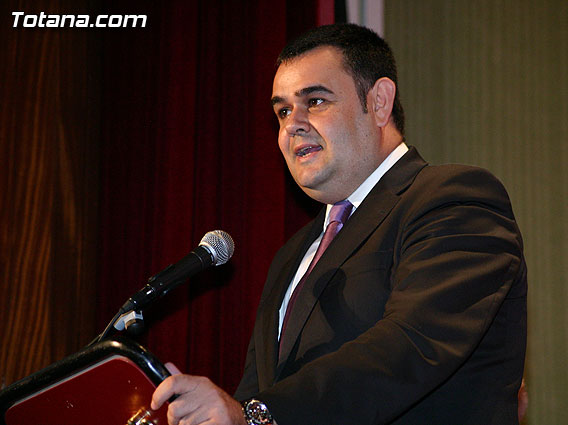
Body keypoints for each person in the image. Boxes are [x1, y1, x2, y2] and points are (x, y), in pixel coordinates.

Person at [151, 23, 527, 425]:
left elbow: (411, 346)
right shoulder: (292, 255)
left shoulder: (453, 198)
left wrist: (258, 415)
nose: (291, 125)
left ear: (379, 102)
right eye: (282, 111)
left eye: (314, 101)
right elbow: (255, 395)